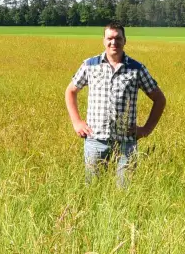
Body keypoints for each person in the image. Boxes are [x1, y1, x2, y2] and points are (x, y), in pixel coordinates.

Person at [64, 22, 168, 186]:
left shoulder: (136, 69)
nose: (114, 42)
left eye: (118, 38)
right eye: (110, 38)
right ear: (103, 41)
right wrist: (77, 122)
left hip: (126, 143)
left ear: (125, 40)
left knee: (125, 192)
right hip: (95, 140)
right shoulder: (90, 65)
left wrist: (146, 129)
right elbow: (70, 91)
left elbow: (159, 99)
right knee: (93, 189)